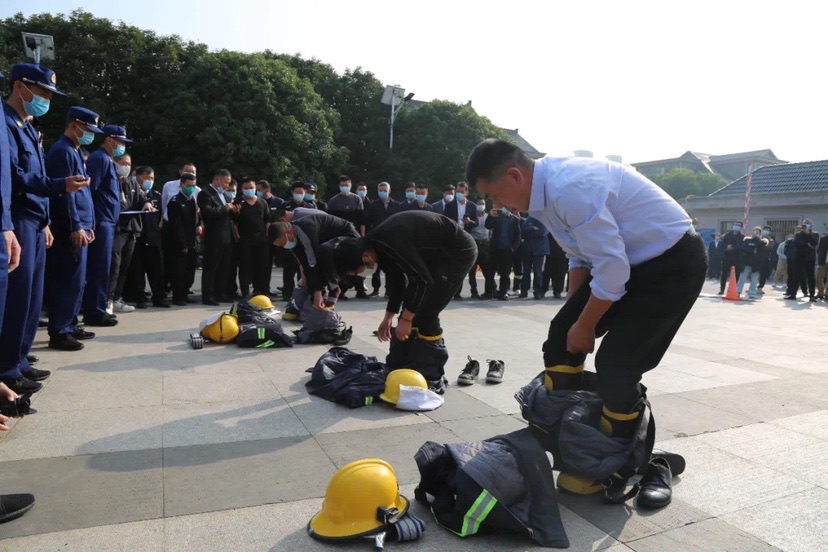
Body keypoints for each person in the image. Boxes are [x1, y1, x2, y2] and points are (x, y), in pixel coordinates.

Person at [466, 139, 705, 496]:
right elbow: (580, 258)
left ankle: (615, 461)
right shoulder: (540, 196)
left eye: (496, 197)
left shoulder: (570, 188)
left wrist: (588, 323)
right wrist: (574, 317)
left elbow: (611, 269)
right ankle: (573, 442)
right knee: (561, 337)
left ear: (514, 175)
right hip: (629, 262)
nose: (497, 206)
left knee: (617, 365)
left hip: (671, 264)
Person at [0, 65, 88, 390]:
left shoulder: (25, 127)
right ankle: (7, 370)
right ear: (20, 87)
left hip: (35, 221)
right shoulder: (7, 124)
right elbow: (18, 177)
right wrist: (59, 186)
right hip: (18, 218)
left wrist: (47, 221)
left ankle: (19, 361)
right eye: (43, 92)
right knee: (18, 298)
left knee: (32, 299)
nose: (47, 100)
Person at [329, 211, 477, 388]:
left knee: (427, 311)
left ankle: (430, 374)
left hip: (458, 252)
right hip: (434, 255)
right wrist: (389, 317)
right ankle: (403, 366)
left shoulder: (389, 242)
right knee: (412, 306)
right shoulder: (376, 247)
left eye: (357, 270)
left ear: (365, 257)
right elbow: (398, 281)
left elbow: (423, 281)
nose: (361, 274)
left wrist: (406, 319)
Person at [45, 107, 102, 352]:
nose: (90, 134)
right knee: (67, 280)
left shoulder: (75, 152)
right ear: (75, 125)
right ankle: (59, 330)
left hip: (81, 226)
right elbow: (64, 196)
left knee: (78, 280)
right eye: (87, 129)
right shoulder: (63, 152)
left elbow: (82, 193)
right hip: (69, 228)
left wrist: (88, 224)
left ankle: (70, 323)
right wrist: (76, 225)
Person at [83, 124, 134, 327]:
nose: (122, 145)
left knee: (104, 267)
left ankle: (98, 308)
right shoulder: (99, 159)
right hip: (101, 222)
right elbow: (90, 192)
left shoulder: (108, 160)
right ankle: (94, 311)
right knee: (99, 268)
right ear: (109, 139)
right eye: (120, 141)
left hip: (109, 222)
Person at [269, 212, 360, 308]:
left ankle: (334, 288)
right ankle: (317, 297)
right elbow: (305, 263)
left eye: (283, 243)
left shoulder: (306, 230)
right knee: (312, 268)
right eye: (281, 246)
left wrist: (317, 291)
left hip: (350, 238)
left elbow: (314, 263)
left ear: (288, 232)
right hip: (331, 243)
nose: (284, 246)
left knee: (323, 252)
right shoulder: (294, 240)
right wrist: (310, 286)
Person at [109, 158, 155, 313]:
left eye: (128, 163)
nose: (126, 166)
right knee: (114, 265)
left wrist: (146, 203)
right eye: (123, 163)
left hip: (131, 229)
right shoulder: (110, 180)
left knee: (124, 266)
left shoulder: (132, 182)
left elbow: (142, 198)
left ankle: (117, 298)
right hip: (116, 229)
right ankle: (107, 299)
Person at [126, 167, 167, 308]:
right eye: (147, 178)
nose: (149, 181)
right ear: (138, 177)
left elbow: (160, 216)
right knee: (138, 271)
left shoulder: (156, 195)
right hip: (138, 237)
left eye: (152, 178)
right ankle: (140, 299)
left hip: (154, 237)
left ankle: (159, 298)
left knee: (157, 270)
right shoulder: (133, 195)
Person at [197, 169, 237, 305]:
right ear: (218, 179)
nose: (227, 186)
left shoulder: (222, 195)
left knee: (224, 267)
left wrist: (233, 210)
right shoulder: (205, 194)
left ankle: (221, 293)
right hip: (214, 237)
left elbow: (226, 214)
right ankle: (207, 295)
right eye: (226, 182)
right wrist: (224, 208)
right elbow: (207, 213)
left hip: (226, 236)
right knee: (211, 268)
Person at [360, 181, 400, 296]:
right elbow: (365, 222)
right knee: (375, 266)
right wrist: (364, 237)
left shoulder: (396, 205)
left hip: (392, 240)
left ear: (389, 191)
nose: (383, 192)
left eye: (385, 190)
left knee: (391, 266)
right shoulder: (373, 205)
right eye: (380, 190)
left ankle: (389, 290)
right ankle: (376, 289)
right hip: (376, 239)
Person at [234, 177, 271, 297]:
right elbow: (234, 223)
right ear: (242, 189)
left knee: (262, 267)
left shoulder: (262, 202)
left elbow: (267, 220)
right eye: (246, 188)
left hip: (261, 240)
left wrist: (266, 236)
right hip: (245, 240)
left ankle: (262, 291)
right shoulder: (237, 202)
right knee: (245, 268)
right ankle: (245, 293)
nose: (249, 190)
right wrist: (238, 237)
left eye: (251, 188)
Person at [166, 174, 198, 306]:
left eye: (193, 186)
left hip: (192, 240)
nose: (191, 188)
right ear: (182, 185)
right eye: (188, 185)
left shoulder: (191, 200)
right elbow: (176, 226)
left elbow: (195, 220)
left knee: (189, 270)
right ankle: (177, 296)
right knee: (179, 270)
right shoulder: (175, 201)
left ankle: (185, 294)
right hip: (179, 243)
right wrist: (182, 244)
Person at [485, 206, 521, 300]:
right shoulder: (497, 217)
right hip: (495, 248)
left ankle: (503, 293)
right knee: (490, 272)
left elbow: (518, 236)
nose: (505, 209)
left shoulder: (514, 219)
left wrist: (513, 248)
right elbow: (488, 225)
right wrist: (490, 216)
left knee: (505, 273)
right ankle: (488, 293)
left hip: (507, 250)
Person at [520, 216, 550, 299]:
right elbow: (523, 231)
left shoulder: (545, 219)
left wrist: (529, 232)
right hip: (528, 250)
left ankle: (538, 292)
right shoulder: (530, 219)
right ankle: (524, 291)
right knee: (526, 272)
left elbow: (542, 232)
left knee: (538, 272)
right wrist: (532, 228)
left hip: (539, 251)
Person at [467, 198, 491, 299]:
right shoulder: (472, 217)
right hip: (475, 243)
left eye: (483, 203)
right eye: (479, 204)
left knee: (488, 270)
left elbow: (490, 230)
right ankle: (474, 291)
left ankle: (490, 290)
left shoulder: (488, 216)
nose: (481, 205)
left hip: (485, 245)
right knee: (472, 270)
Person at [736, 226, 766, 300]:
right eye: (755, 231)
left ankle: (752, 292)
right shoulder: (747, 240)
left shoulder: (763, 241)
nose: (756, 233)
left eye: (758, 231)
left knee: (754, 278)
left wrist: (757, 241)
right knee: (742, 277)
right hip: (747, 261)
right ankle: (738, 291)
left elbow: (761, 249)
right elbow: (744, 248)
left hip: (757, 263)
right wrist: (752, 250)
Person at [793, 218, 818, 302]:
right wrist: (808, 245)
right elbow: (796, 244)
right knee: (796, 276)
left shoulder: (814, 234)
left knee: (811, 277)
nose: (806, 224)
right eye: (805, 223)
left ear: (811, 225)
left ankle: (811, 295)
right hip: (799, 258)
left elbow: (814, 243)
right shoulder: (798, 234)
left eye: (808, 223)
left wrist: (808, 234)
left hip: (810, 259)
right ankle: (793, 294)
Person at [719, 222, 744, 294]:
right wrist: (726, 247)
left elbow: (741, 247)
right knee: (724, 274)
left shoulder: (742, 237)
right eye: (735, 225)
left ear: (740, 228)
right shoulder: (727, 235)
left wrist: (732, 247)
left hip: (737, 258)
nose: (736, 226)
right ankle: (722, 289)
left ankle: (734, 290)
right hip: (727, 257)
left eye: (738, 225)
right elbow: (722, 244)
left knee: (737, 275)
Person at [542, 235, 568, 299]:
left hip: (563, 251)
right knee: (547, 272)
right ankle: (543, 290)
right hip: (550, 251)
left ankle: (557, 291)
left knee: (561, 272)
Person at [756, 225, 775, 294]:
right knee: (755, 273)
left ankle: (760, 287)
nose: (766, 231)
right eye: (765, 229)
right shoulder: (758, 238)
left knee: (763, 274)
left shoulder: (771, 240)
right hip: (757, 258)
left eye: (767, 230)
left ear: (769, 232)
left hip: (765, 259)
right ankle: (752, 287)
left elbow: (769, 248)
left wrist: (761, 246)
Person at [816, 232, 828, 301]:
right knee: (818, 277)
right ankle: (820, 293)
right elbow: (818, 250)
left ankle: (827, 294)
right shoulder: (823, 239)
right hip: (822, 262)